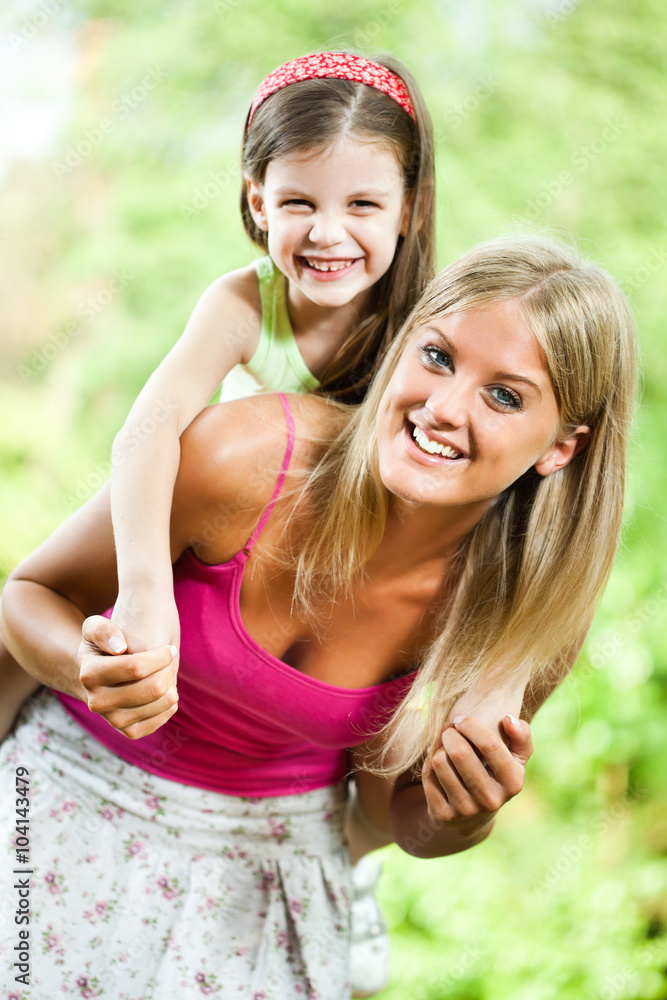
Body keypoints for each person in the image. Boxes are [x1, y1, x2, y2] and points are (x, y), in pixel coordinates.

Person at [0, 234, 638, 998]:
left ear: (561, 447)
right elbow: (30, 596)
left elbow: (391, 816)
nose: (442, 408)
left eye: (503, 396)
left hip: (268, 877)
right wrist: (87, 667)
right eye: (436, 356)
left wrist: (463, 819)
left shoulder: (521, 617)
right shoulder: (246, 458)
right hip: (68, 796)